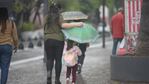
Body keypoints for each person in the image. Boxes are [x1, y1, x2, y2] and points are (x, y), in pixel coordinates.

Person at [44, 3, 83, 84]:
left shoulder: (47, 17)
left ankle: (49, 75)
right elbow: (64, 25)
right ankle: (57, 80)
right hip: (58, 40)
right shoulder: (59, 16)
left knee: (49, 59)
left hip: (48, 40)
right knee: (58, 60)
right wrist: (77, 24)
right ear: (57, 10)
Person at [0, 7, 19, 84]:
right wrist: (16, 46)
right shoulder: (11, 23)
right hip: (7, 47)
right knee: (4, 68)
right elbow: (15, 37)